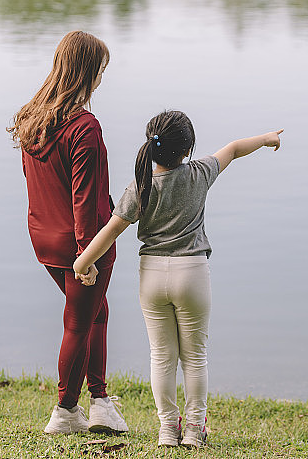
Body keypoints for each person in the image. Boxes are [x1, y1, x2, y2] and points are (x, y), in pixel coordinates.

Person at [73, 110, 282, 448]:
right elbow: (233, 148)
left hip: (152, 277)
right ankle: (194, 429)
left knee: (162, 357)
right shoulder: (199, 173)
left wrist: (84, 261)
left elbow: (110, 231)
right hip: (192, 274)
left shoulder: (141, 187)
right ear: (187, 150)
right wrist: (267, 138)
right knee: (195, 357)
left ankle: (168, 429)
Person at [8, 31, 128, 435]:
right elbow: (85, 198)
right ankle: (64, 411)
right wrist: (87, 256)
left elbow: (33, 181)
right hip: (83, 243)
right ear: (87, 71)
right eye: (100, 71)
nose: (100, 80)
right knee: (78, 323)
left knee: (97, 313)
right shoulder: (84, 127)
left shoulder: (31, 117)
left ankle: (100, 402)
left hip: (44, 239)